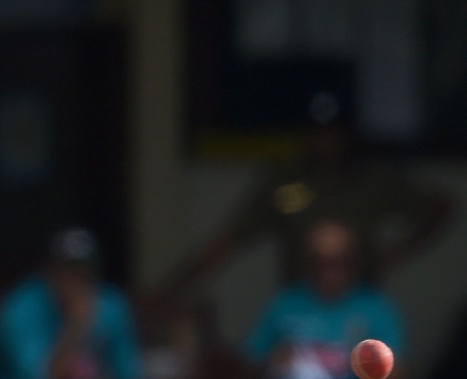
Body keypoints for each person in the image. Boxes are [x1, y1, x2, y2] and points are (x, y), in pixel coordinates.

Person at [160, 91, 454, 302]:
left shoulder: (374, 180)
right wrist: (172, 288)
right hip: (299, 310)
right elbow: (229, 239)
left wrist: (395, 253)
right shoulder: (287, 183)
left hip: (358, 307)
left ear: (348, 134)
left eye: (333, 132)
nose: (325, 141)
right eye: (317, 132)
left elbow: (439, 206)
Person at [0, 227, 170, 379]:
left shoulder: (110, 305)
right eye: (66, 271)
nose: (74, 281)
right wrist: (76, 327)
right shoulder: (21, 308)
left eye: (82, 272)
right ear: (48, 271)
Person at [242, 217, 417, 379]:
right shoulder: (284, 305)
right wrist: (271, 364)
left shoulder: (375, 308)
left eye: (339, 262)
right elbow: (247, 375)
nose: (329, 271)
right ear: (306, 263)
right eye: (319, 262)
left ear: (354, 262)